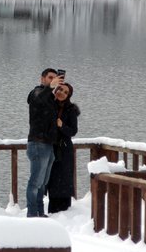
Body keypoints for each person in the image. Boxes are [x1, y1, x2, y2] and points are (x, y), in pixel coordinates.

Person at [25, 68, 64, 217]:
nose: (52, 80)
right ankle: (32, 213)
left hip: (48, 145)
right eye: (49, 77)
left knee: (42, 183)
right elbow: (37, 98)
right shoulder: (36, 93)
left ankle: (40, 212)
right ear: (42, 79)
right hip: (37, 144)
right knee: (35, 182)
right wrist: (50, 87)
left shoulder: (50, 98)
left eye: (55, 78)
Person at [45, 82, 80, 213]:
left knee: (64, 179)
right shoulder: (50, 105)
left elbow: (73, 131)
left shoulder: (71, 110)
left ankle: (65, 211)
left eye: (66, 92)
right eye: (61, 90)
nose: (62, 93)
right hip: (51, 148)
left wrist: (61, 125)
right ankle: (53, 210)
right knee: (52, 179)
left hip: (64, 150)